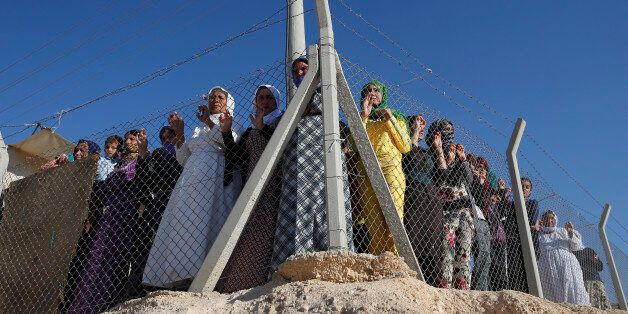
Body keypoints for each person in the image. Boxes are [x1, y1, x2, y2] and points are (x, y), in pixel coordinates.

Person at [142, 86, 241, 289]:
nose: (214, 100)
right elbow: (184, 159)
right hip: (190, 181)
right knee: (185, 225)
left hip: (215, 177)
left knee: (210, 221)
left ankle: (210, 276)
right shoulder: (198, 130)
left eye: (219, 97)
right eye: (211, 97)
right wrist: (180, 133)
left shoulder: (233, 121)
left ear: (228, 101)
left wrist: (208, 122)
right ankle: (181, 275)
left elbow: (228, 145)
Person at [269, 56, 354, 275]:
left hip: (325, 156)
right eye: (295, 71)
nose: (299, 74)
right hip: (297, 162)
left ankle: (334, 261)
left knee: (329, 205)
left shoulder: (329, 93)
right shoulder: (294, 102)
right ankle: (294, 263)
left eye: (304, 69)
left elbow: (334, 112)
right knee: (298, 206)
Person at [216, 84, 283, 293]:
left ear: (277, 102)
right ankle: (245, 281)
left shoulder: (284, 121)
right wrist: (226, 132)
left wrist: (264, 129)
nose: (264, 102)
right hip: (253, 188)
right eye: (260, 98)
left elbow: (283, 146)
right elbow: (237, 157)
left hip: (277, 185)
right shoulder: (250, 130)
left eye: (269, 98)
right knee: (250, 232)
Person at [68, 130, 142, 313]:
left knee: (114, 254)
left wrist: (109, 185)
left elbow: (120, 181)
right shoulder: (120, 163)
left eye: (132, 139)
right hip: (110, 212)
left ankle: (107, 299)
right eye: (126, 140)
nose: (129, 142)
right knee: (98, 254)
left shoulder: (136, 162)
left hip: (124, 212)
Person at [356, 81, 412, 256]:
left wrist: (390, 119)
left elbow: (405, 146)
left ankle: (396, 261)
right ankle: (378, 262)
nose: (372, 93)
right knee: (374, 223)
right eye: (368, 91)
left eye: (376, 90)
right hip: (367, 172)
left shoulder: (397, 117)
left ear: (383, 94)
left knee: (393, 218)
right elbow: (356, 144)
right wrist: (364, 116)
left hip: (391, 171)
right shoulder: (362, 118)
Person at [127, 126, 183, 297]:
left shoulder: (183, 152)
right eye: (163, 138)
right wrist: (143, 154)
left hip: (178, 200)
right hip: (157, 204)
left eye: (170, 136)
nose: (167, 140)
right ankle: (140, 288)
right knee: (146, 245)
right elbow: (145, 181)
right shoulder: (157, 156)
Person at [426, 119, 475, 290]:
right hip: (447, 210)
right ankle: (445, 287)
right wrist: (441, 153)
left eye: (451, 131)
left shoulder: (456, 155)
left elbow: (468, 180)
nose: (449, 135)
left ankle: (463, 289)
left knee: (464, 254)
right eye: (445, 131)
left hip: (464, 210)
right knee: (447, 252)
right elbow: (442, 178)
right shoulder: (431, 154)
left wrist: (462, 160)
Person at [403, 115, 441, 286]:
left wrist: (439, 149)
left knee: (432, 243)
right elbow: (409, 158)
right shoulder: (406, 147)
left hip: (432, 200)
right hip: (414, 195)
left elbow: (442, 174)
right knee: (414, 237)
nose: (420, 129)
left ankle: (431, 282)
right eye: (417, 126)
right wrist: (415, 131)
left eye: (421, 128)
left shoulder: (428, 153)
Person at [533, 210, 590, 306]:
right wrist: (535, 228)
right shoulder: (539, 235)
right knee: (552, 290)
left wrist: (571, 233)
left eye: (552, 218)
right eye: (547, 218)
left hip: (567, 265)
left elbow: (577, 246)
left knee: (571, 285)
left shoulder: (562, 231)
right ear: (543, 220)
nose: (550, 221)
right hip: (547, 267)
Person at [502, 177, 538, 292]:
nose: (524, 189)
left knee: (527, 273)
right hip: (513, 241)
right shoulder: (510, 205)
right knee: (514, 270)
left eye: (527, 187)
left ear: (530, 191)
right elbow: (507, 225)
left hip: (529, 243)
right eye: (522, 186)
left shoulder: (532, 203)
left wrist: (524, 225)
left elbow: (531, 220)